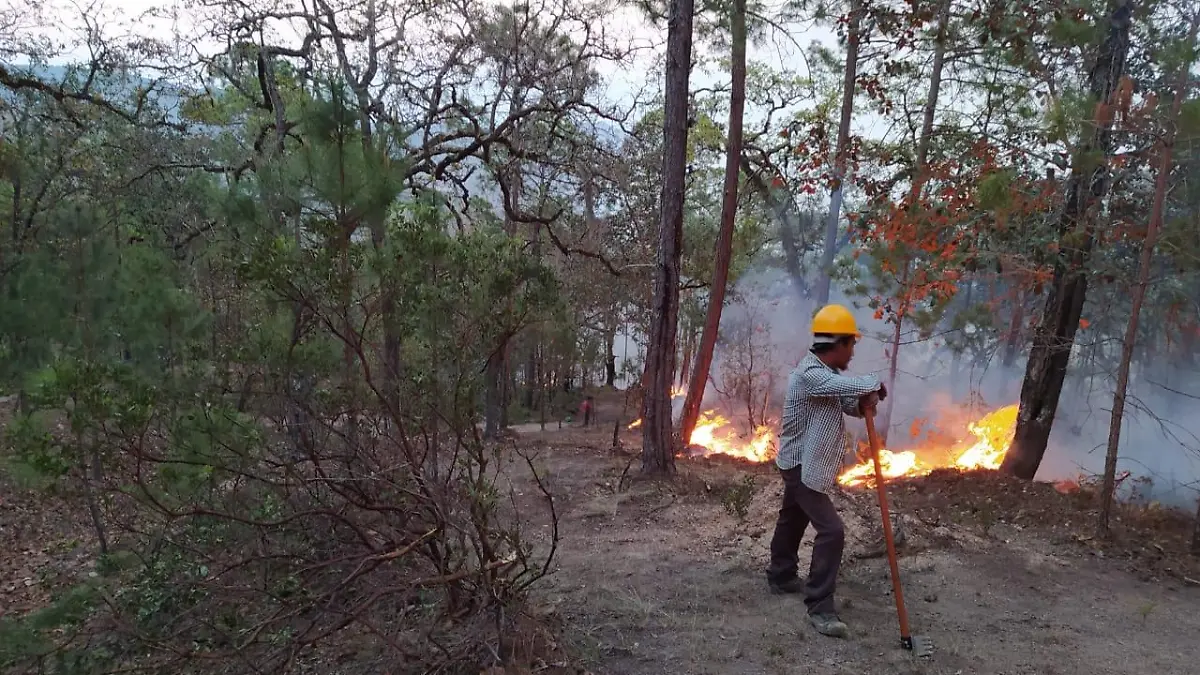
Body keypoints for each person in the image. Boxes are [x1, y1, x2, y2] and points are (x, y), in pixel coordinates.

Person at [766, 303, 887, 639]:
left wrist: (863, 404)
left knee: (793, 518)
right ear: (839, 343)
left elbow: (844, 400)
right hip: (800, 462)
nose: (852, 352)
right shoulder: (809, 374)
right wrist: (872, 383)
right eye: (852, 345)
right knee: (832, 531)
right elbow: (834, 388)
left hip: (804, 459)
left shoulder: (828, 376)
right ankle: (820, 606)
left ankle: (781, 575)